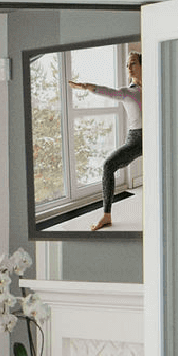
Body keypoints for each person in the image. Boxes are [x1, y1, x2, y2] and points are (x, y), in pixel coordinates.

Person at [70, 47, 141, 232]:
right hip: (136, 139)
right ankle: (106, 216)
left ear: (142, 65)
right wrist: (85, 86)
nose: (129, 68)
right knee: (108, 166)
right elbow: (108, 92)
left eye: (133, 63)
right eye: (127, 65)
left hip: (157, 136)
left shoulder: (156, 86)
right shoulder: (127, 92)